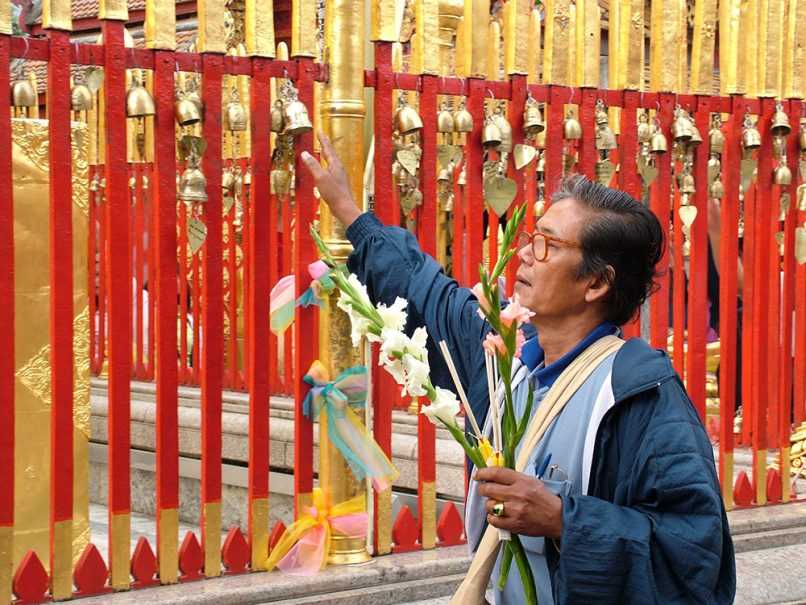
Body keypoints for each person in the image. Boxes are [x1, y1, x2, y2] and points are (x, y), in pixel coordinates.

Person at [301, 133, 735, 604]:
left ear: (595, 282)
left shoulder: (637, 394)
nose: (525, 253)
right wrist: (349, 210)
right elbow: (426, 292)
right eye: (533, 238)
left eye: (548, 244)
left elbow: (692, 554)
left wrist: (563, 519)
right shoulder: (503, 361)